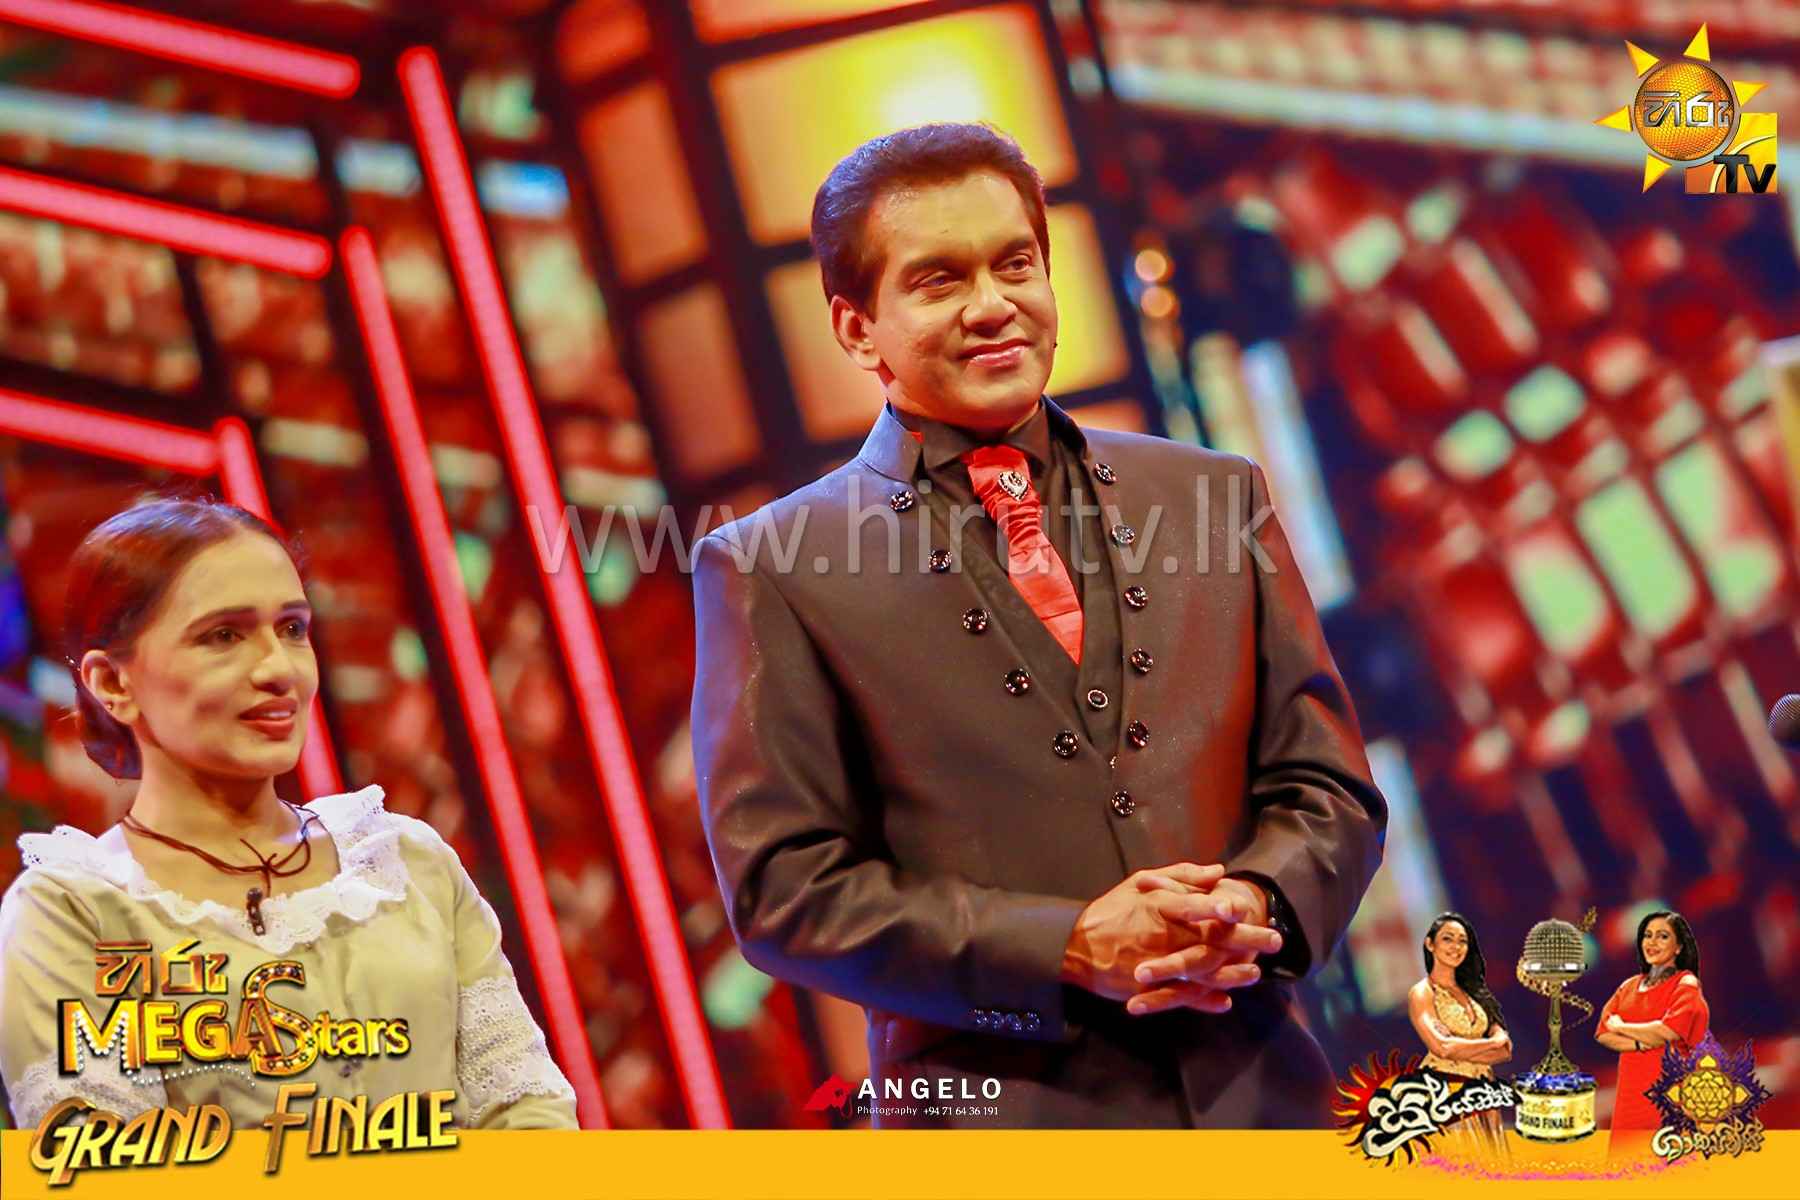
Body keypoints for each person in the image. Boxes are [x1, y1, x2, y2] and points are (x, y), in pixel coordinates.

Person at [690, 123, 1386, 1127]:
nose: (992, 305)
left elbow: (1330, 787)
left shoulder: (1212, 494)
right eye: (938, 280)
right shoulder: (771, 565)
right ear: (856, 329)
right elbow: (784, 891)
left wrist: (1256, 904)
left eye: (1015, 264)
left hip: (1271, 1109)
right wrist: (1064, 946)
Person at [0, 498, 576, 1130]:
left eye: (293, 629)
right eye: (224, 636)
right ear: (113, 684)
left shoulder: (409, 864)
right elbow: (103, 1161)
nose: (280, 669)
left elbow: (531, 1112)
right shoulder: (72, 911)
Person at [1595, 909, 1708, 1135]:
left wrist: (1622, 1027)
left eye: (1662, 936)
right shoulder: (1627, 987)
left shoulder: (1685, 983)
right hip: (1630, 1099)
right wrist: (1640, 1044)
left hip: (1672, 1097)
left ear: (1679, 946)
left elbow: (1668, 1031)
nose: (1652, 942)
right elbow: (1603, 1034)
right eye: (1647, 936)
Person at [1407, 912, 1511, 1151]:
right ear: (1430, 944)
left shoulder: (1475, 992)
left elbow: (1505, 1051)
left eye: (1462, 941)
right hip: (1446, 1092)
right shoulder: (1422, 993)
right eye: (1447, 939)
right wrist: (1491, 1043)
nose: (1456, 946)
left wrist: (1459, 1046)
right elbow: (1442, 1048)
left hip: (1484, 1092)